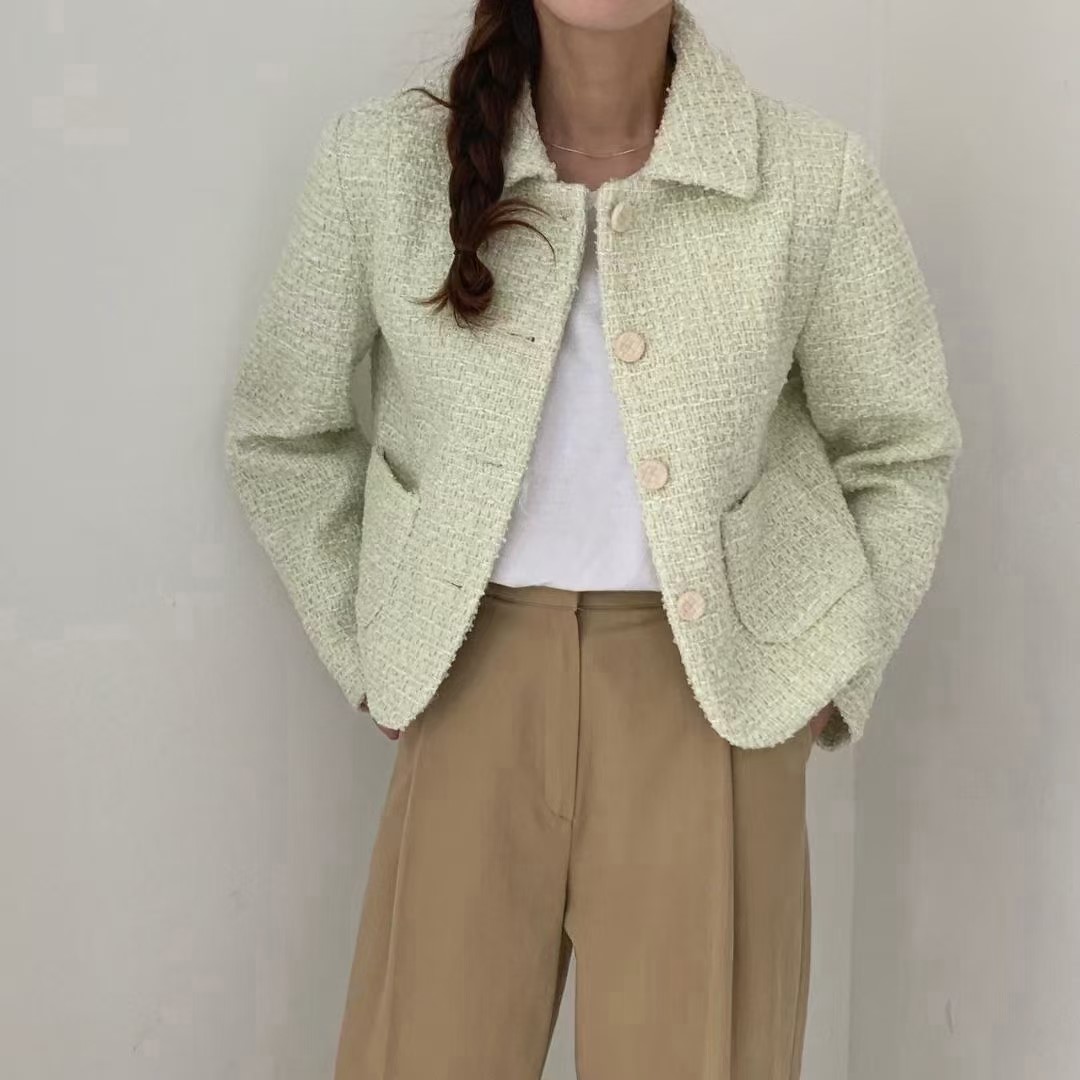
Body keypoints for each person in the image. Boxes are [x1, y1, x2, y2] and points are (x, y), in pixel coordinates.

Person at [223, 0, 963, 1075]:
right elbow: (281, 433)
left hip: (713, 707)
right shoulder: (382, 166)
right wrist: (367, 642)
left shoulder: (810, 177)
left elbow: (901, 449)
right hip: (466, 682)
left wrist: (828, 677)